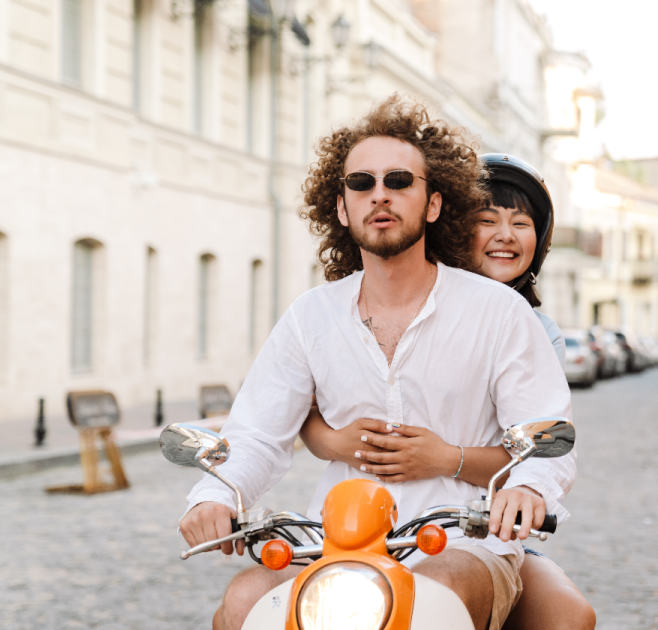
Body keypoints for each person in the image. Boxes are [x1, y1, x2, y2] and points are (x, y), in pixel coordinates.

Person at [178, 94, 574, 630]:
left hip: (462, 542)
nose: (379, 195)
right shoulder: (309, 317)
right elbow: (256, 433)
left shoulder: (498, 312)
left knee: (439, 591)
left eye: (399, 181)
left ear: (433, 203)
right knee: (245, 597)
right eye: (361, 183)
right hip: (334, 542)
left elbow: (543, 432)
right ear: (341, 207)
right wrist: (215, 494)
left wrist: (528, 487)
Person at [298, 153, 595, 630]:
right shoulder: (369, 299)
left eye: (522, 223)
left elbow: (533, 450)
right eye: (487, 220)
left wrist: (446, 458)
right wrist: (335, 442)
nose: (505, 234)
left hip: (474, 521)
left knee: (568, 616)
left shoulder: (534, 330)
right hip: (362, 521)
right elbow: (306, 409)